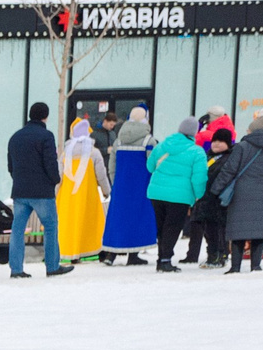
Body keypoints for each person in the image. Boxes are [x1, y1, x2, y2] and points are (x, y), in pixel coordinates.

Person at [213, 115, 263, 272]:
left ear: (253, 129)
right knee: (260, 231)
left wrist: (216, 189)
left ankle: (235, 267)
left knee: (238, 230)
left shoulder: (242, 146)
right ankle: (255, 266)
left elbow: (229, 170)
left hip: (242, 192)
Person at [6, 102, 71, 278]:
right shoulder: (46, 136)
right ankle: (52, 266)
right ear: (46, 116)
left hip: (20, 191)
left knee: (17, 230)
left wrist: (19, 181)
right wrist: (55, 179)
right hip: (42, 192)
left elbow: (11, 166)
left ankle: (16, 269)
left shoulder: (15, 137)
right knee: (50, 228)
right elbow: (50, 162)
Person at [145, 117, 207, 273]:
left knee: (161, 227)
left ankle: (162, 258)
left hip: (156, 192)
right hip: (180, 196)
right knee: (172, 228)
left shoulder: (162, 146)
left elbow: (150, 166)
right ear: (195, 132)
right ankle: (165, 260)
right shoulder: (197, 151)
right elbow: (199, 178)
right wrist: (199, 195)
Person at [100, 108, 158, 264]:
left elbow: (112, 165)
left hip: (121, 186)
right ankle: (133, 255)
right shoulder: (148, 141)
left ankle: (111, 254)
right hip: (141, 186)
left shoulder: (118, 141)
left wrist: (115, 182)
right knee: (137, 218)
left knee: (117, 218)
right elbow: (152, 165)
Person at [56, 118, 107, 262]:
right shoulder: (94, 152)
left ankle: (71, 253)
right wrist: (106, 190)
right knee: (91, 223)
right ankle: (95, 250)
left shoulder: (66, 154)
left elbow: (58, 177)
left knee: (70, 224)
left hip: (67, 197)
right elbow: (101, 174)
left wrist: (55, 194)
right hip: (87, 195)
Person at [185, 125, 234, 264]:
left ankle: (218, 255)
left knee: (216, 230)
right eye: (215, 141)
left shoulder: (228, 159)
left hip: (217, 200)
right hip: (203, 199)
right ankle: (214, 254)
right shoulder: (207, 156)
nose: (216, 144)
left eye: (221, 141)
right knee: (208, 230)